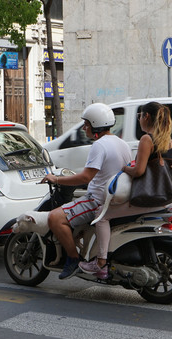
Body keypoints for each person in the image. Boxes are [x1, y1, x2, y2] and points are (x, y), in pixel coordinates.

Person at [79, 102, 172, 279]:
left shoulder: (147, 139)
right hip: (165, 197)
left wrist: (124, 168)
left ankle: (100, 262)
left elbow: (139, 171)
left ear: (146, 117)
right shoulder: (167, 140)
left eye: (139, 116)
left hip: (148, 196)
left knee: (102, 215)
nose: (139, 119)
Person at [41, 103, 131, 279]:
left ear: (96, 125)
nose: (84, 128)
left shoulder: (99, 145)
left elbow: (85, 177)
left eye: (86, 124)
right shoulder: (122, 143)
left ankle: (73, 259)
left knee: (54, 218)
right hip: (114, 198)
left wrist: (56, 179)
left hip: (97, 200)